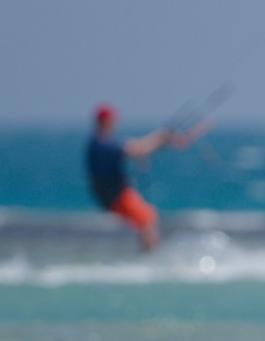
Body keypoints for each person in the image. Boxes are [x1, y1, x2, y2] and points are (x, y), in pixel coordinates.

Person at [85, 103, 210, 251]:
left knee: (147, 218)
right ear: (106, 122)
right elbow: (135, 148)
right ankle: (150, 254)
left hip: (110, 194)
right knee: (148, 218)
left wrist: (161, 140)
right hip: (115, 195)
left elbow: (138, 147)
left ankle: (148, 252)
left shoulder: (98, 143)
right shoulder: (103, 144)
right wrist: (162, 137)